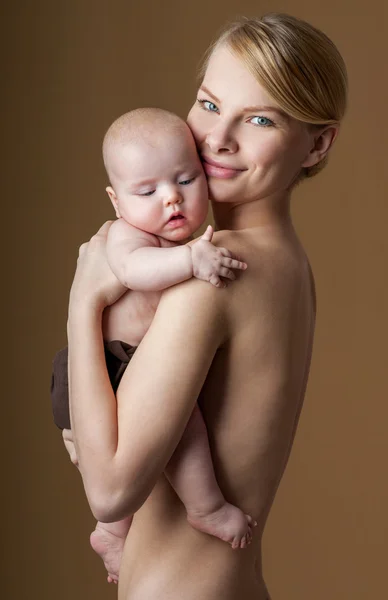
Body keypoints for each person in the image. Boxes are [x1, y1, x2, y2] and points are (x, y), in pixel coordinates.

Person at [62, 13, 347, 600]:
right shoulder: (288, 264)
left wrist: (82, 301)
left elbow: (110, 490)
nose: (218, 138)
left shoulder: (216, 273)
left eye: (260, 119)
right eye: (210, 104)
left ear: (316, 144)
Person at [52, 108, 254, 583]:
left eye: (186, 179)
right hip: (107, 365)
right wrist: (192, 260)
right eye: (147, 191)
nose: (171, 199)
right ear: (116, 200)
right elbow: (135, 273)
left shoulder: (180, 241)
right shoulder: (123, 237)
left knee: (173, 432)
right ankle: (205, 508)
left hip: (128, 366)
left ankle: (111, 532)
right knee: (185, 431)